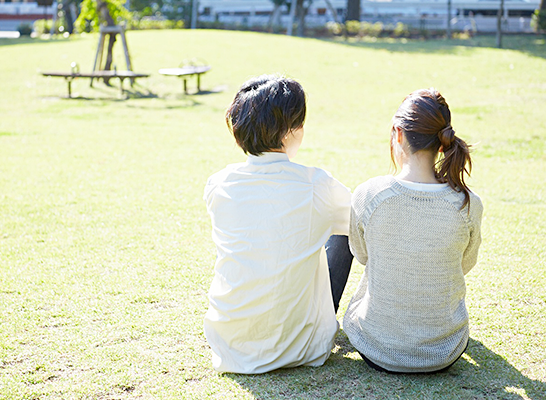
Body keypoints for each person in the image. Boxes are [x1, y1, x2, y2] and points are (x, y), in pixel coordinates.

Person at [203, 75, 354, 374]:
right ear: (291, 131)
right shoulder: (316, 184)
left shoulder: (219, 183)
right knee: (344, 233)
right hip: (303, 348)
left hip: (231, 347)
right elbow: (364, 224)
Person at [343, 88, 483, 374]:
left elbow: (362, 255)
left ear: (398, 133)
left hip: (375, 348)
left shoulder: (368, 194)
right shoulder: (468, 203)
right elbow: (464, 265)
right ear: (443, 143)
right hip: (444, 352)